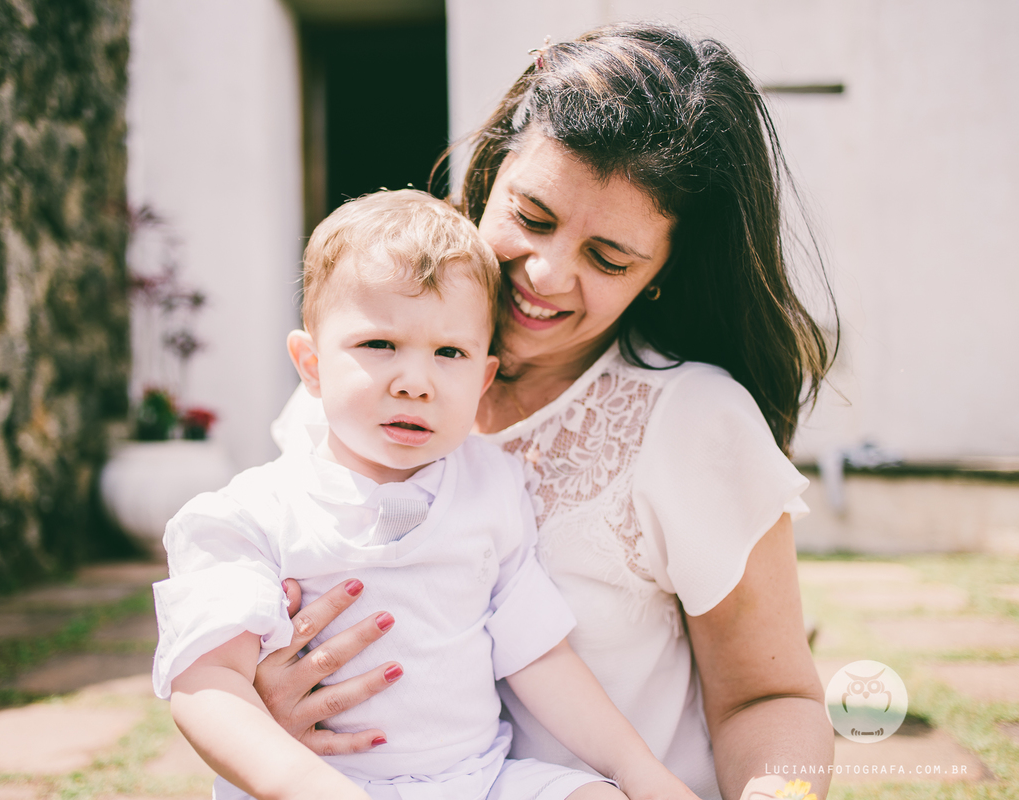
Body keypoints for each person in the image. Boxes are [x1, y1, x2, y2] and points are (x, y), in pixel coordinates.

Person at [256, 23, 837, 800]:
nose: (546, 273)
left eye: (608, 258)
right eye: (531, 217)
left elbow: (771, 699)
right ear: (490, 174)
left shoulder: (694, 423)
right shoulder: (359, 384)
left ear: (662, 270)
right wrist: (269, 702)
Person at [153, 190, 702, 800]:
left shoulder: (492, 486)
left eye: (449, 353)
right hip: (322, 784)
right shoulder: (250, 515)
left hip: (478, 780)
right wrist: (307, 787)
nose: (415, 382)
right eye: (379, 345)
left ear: (484, 376)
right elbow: (207, 685)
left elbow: (537, 656)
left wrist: (638, 770)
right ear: (310, 363)